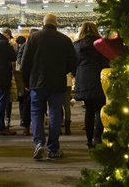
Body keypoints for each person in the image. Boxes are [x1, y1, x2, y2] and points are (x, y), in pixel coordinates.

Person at [22, 14, 77, 161]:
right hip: (57, 84)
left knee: (36, 113)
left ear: (43, 23)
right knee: (55, 115)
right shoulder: (64, 39)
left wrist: (26, 82)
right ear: (56, 24)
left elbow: (25, 62)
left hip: (37, 83)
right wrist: (62, 71)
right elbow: (73, 63)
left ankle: (39, 142)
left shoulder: (33, 38)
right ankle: (53, 148)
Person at [73, 22, 110, 148]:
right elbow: (107, 61)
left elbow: (74, 63)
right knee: (100, 109)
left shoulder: (77, 45)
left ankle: (89, 139)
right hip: (99, 78)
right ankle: (97, 136)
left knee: (88, 110)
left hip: (84, 78)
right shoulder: (101, 44)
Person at [16, 33, 33, 136]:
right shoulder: (27, 45)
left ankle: (26, 126)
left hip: (28, 78)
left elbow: (20, 60)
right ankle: (29, 126)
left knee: (27, 104)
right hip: (34, 79)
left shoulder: (25, 46)